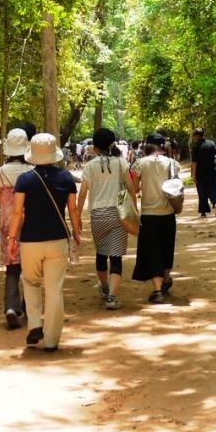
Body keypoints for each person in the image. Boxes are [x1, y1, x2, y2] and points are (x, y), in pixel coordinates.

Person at [6, 132, 81, 353]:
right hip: (57, 239)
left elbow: (17, 213)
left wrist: (11, 239)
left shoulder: (24, 180)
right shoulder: (66, 178)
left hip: (30, 240)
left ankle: (35, 325)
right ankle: (51, 340)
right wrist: (76, 232)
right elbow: (73, 210)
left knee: (30, 282)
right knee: (54, 288)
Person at [76, 126, 138, 310]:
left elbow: (82, 193)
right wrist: (134, 210)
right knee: (116, 256)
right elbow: (131, 188)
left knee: (101, 253)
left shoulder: (90, 166)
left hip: (97, 214)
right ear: (112, 145)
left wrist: (77, 217)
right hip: (118, 213)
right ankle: (112, 296)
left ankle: (104, 287)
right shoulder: (121, 163)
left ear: (94, 147)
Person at [131, 133, 180, 304]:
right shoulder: (172, 163)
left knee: (152, 251)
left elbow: (134, 189)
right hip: (168, 213)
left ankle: (157, 290)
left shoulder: (140, 163)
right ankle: (166, 279)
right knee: (167, 247)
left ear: (147, 145)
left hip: (148, 215)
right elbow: (176, 186)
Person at [0, 126, 31, 329]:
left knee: (12, 267)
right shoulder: (32, 171)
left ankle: (11, 307)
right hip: (31, 222)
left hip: (8, 224)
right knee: (31, 268)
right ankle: (28, 305)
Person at [190, 126, 216, 218]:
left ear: (198, 136)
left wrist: (193, 175)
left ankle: (203, 212)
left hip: (200, 173)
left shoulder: (196, 147)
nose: (193, 137)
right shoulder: (211, 143)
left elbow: (194, 163)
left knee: (202, 191)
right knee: (213, 188)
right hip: (212, 171)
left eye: (194, 135)